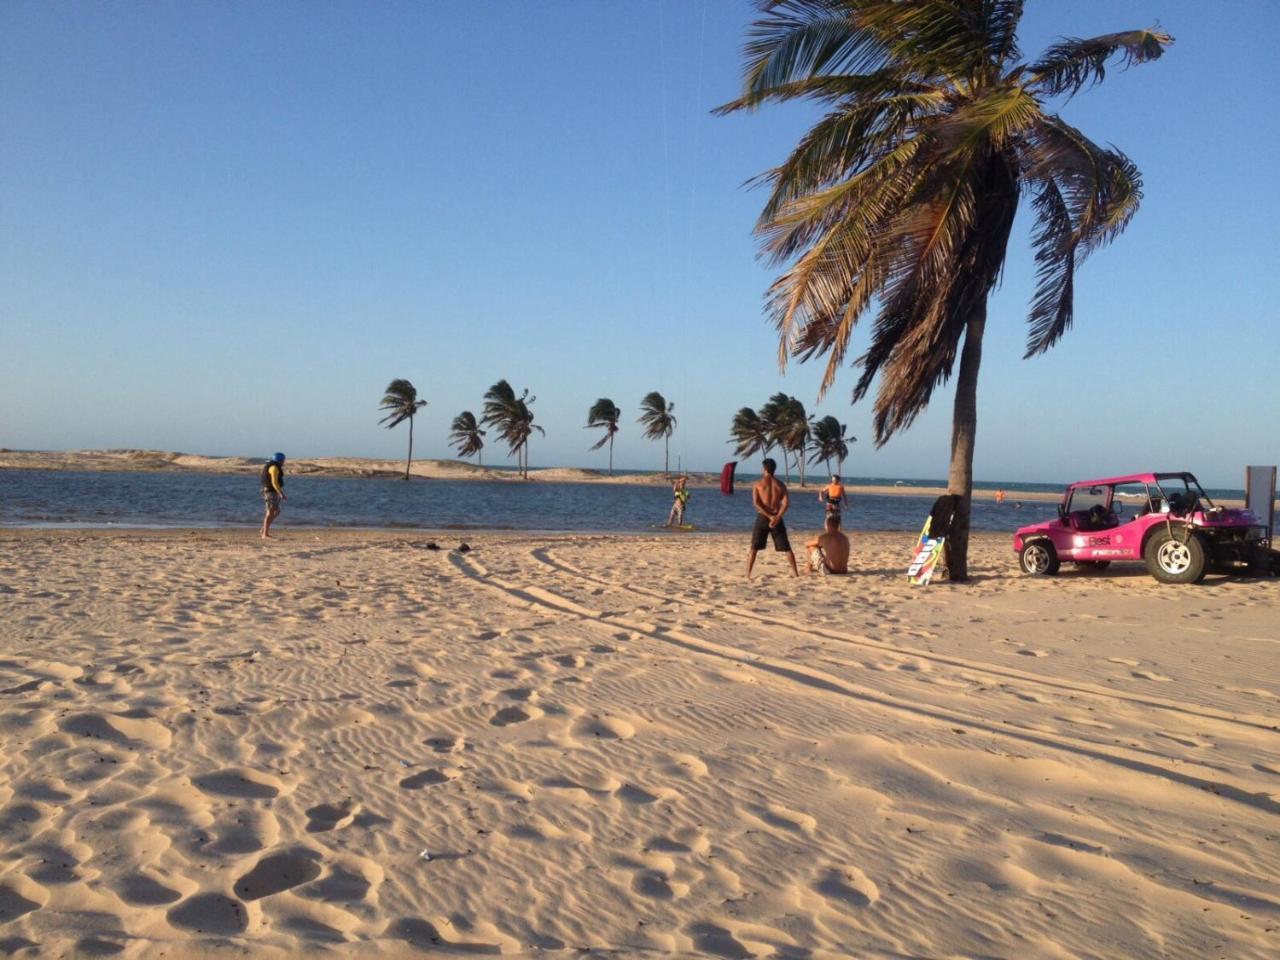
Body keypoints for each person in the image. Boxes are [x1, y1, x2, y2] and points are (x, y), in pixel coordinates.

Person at [747, 458, 798, 578]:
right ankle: (795, 573)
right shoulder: (780, 485)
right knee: (786, 548)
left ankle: (747, 574)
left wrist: (769, 516)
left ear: (764, 469)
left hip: (763, 517)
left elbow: (756, 504)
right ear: (774, 469)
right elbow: (786, 503)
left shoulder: (758, 484)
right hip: (777, 518)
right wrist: (777, 517)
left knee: (754, 547)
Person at [260, 452, 287, 538]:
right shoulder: (274, 467)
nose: (284, 462)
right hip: (270, 492)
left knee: (276, 511)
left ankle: (264, 529)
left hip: (272, 492)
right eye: (283, 460)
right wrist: (281, 493)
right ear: (280, 460)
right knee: (270, 512)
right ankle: (265, 534)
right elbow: (274, 482)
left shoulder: (272, 466)